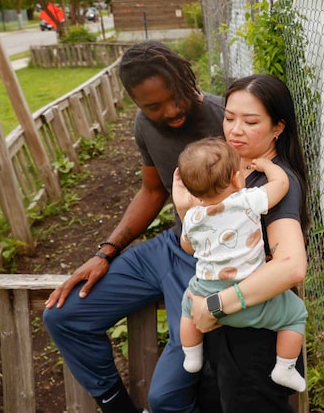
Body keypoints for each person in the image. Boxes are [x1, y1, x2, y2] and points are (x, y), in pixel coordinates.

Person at [43, 41, 227, 413]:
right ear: (136, 103)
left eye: (176, 97)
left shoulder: (226, 118)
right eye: (154, 106)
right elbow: (152, 189)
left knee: (168, 396)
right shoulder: (145, 125)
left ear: (186, 78)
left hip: (209, 263)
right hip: (171, 246)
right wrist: (105, 252)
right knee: (65, 316)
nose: (171, 111)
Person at [182, 73, 311, 411]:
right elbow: (195, 244)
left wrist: (213, 306)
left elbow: (292, 266)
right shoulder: (226, 174)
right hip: (227, 332)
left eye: (250, 121)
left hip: (255, 337)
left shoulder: (275, 186)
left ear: (277, 127)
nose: (235, 129)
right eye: (228, 117)